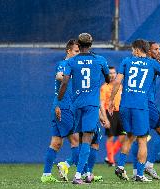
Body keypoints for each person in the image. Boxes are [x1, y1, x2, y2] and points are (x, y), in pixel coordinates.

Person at [109, 39, 160, 182]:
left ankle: (120, 165)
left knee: (130, 136)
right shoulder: (152, 64)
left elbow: (116, 82)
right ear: (147, 50)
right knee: (142, 140)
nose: (132, 52)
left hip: (125, 106)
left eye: (133, 49)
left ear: (138, 50)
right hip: (141, 106)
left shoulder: (127, 61)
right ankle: (140, 173)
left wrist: (110, 101)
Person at [56, 33, 110, 184]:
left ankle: (86, 173)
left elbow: (65, 83)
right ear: (91, 45)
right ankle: (79, 175)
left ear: (78, 46)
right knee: (88, 139)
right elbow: (108, 79)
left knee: (79, 140)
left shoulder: (71, 62)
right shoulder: (100, 60)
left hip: (76, 104)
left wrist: (59, 100)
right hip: (91, 105)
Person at [41, 39, 80, 183]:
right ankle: (68, 166)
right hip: (64, 108)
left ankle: (46, 175)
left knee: (56, 143)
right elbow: (59, 76)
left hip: (61, 107)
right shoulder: (64, 64)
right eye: (76, 51)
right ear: (68, 51)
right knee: (76, 141)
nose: (78, 54)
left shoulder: (75, 67)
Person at [131, 41, 160, 180]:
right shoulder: (150, 63)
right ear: (148, 51)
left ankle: (136, 171)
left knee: (139, 137)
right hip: (148, 104)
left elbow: (159, 61)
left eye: (159, 49)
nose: (158, 51)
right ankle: (148, 165)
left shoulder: (135, 62)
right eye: (155, 49)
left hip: (135, 103)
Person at [100, 66, 126, 166]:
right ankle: (111, 160)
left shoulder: (119, 86)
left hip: (120, 113)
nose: (112, 75)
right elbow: (101, 103)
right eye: (110, 73)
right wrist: (105, 118)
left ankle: (109, 156)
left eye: (114, 73)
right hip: (109, 112)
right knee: (110, 136)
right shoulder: (104, 87)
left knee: (123, 137)